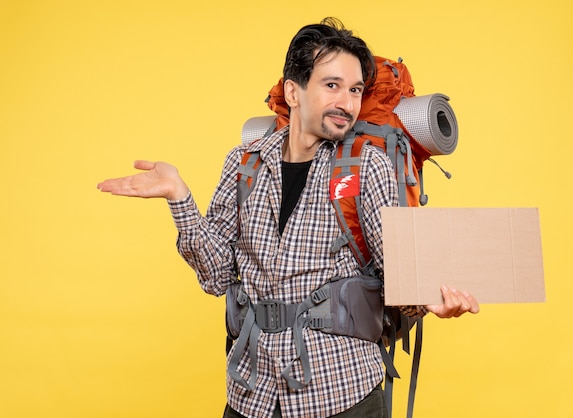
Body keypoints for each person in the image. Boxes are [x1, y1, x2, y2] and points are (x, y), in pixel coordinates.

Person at [97, 17, 479, 418]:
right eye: (331, 85)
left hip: (341, 392)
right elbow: (216, 276)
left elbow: (400, 274)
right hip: (252, 395)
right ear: (293, 92)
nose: (346, 102)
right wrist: (180, 198)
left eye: (355, 90)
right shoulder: (243, 165)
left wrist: (432, 302)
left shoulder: (368, 166)